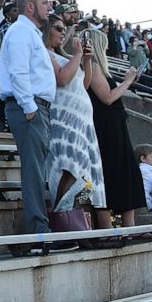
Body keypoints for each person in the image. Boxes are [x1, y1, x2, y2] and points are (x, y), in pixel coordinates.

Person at [0, 0, 68, 246]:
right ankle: (39, 232)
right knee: (34, 172)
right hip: (28, 108)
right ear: (29, 7)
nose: (49, 7)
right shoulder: (20, 32)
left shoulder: (30, 33)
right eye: (44, 3)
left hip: (36, 108)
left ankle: (40, 228)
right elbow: (18, 72)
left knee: (38, 171)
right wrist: (30, 108)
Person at [42, 17, 108, 224]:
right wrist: (78, 54)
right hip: (64, 121)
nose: (63, 33)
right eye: (58, 29)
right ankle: (62, 222)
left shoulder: (64, 55)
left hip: (82, 123)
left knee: (82, 176)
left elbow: (84, 84)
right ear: (46, 30)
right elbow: (62, 78)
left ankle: (74, 222)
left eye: (64, 29)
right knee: (68, 169)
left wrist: (86, 60)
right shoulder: (44, 53)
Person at [86, 29, 145, 228]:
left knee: (127, 173)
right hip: (107, 129)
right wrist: (127, 82)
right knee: (113, 172)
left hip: (115, 126)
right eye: (104, 43)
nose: (108, 46)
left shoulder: (97, 68)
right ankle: (108, 227)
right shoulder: (92, 66)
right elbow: (108, 98)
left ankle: (130, 226)